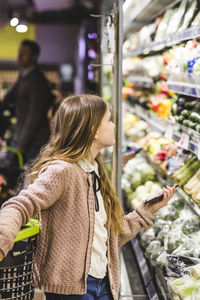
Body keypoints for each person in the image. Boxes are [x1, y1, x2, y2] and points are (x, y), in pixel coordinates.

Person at [0, 94, 176, 300]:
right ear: (93, 131)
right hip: (72, 290)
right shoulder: (62, 171)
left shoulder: (93, 171)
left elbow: (104, 237)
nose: (113, 125)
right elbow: (20, 205)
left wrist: (144, 212)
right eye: (109, 120)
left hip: (103, 282)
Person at [1, 39, 55, 165]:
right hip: (22, 138)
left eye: (24, 53)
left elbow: (34, 117)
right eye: (19, 52)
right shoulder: (24, 76)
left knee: (30, 178)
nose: (19, 56)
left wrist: (22, 145)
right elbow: (7, 98)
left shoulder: (37, 81)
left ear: (34, 56)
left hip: (34, 141)